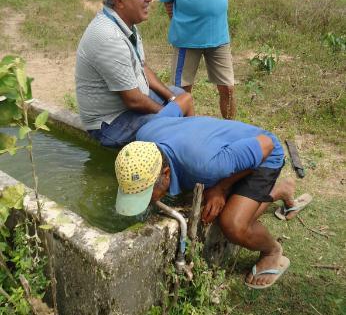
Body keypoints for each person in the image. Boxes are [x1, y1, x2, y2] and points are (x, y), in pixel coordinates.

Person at [114, 96, 312, 289]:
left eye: (147, 193)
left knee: (233, 224)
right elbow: (184, 99)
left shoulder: (207, 166)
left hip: (264, 155)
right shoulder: (144, 136)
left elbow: (266, 144)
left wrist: (221, 188)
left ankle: (272, 252)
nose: (147, 201)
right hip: (226, 151)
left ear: (166, 174)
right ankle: (280, 190)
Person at [75, 0, 194, 147]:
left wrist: (171, 99)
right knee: (171, 127)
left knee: (178, 95)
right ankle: (187, 157)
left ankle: (189, 144)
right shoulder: (108, 37)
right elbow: (133, 100)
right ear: (119, 0)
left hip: (129, 106)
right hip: (111, 123)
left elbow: (142, 67)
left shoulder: (125, 24)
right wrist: (169, 115)